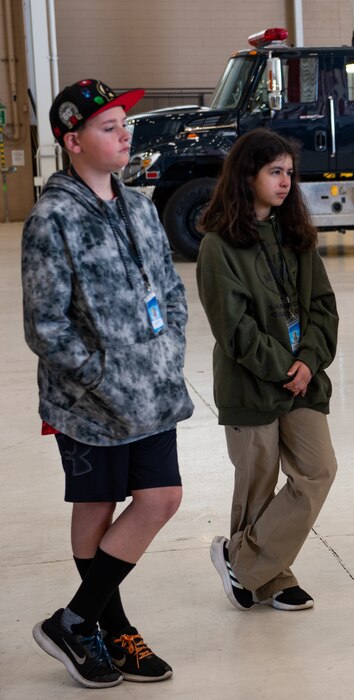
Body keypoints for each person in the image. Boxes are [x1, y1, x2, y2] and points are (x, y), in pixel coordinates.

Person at [24, 79, 194, 688]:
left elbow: (170, 292)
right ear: (73, 142)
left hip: (153, 391)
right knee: (97, 506)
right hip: (89, 403)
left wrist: (169, 347)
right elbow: (45, 326)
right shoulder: (52, 219)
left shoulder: (140, 205)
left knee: (161, 498)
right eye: (108, 126)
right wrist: (101, 377)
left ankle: (75, 619)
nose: (125, 132)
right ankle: (109, 629)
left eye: (125, 121)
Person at [197, 128, 339, 613]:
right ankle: (272, 576)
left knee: (317, 471)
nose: (285, 182)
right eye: (274, 172)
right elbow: (233, 329)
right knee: (257, 484)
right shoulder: (218, 246)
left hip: (303, 379)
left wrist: (309, 361)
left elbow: (322, 305)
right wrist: (286, 367)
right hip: (250, 385)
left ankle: (241, 562)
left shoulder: (296, 235)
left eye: (289, 173)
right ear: (247, 175)